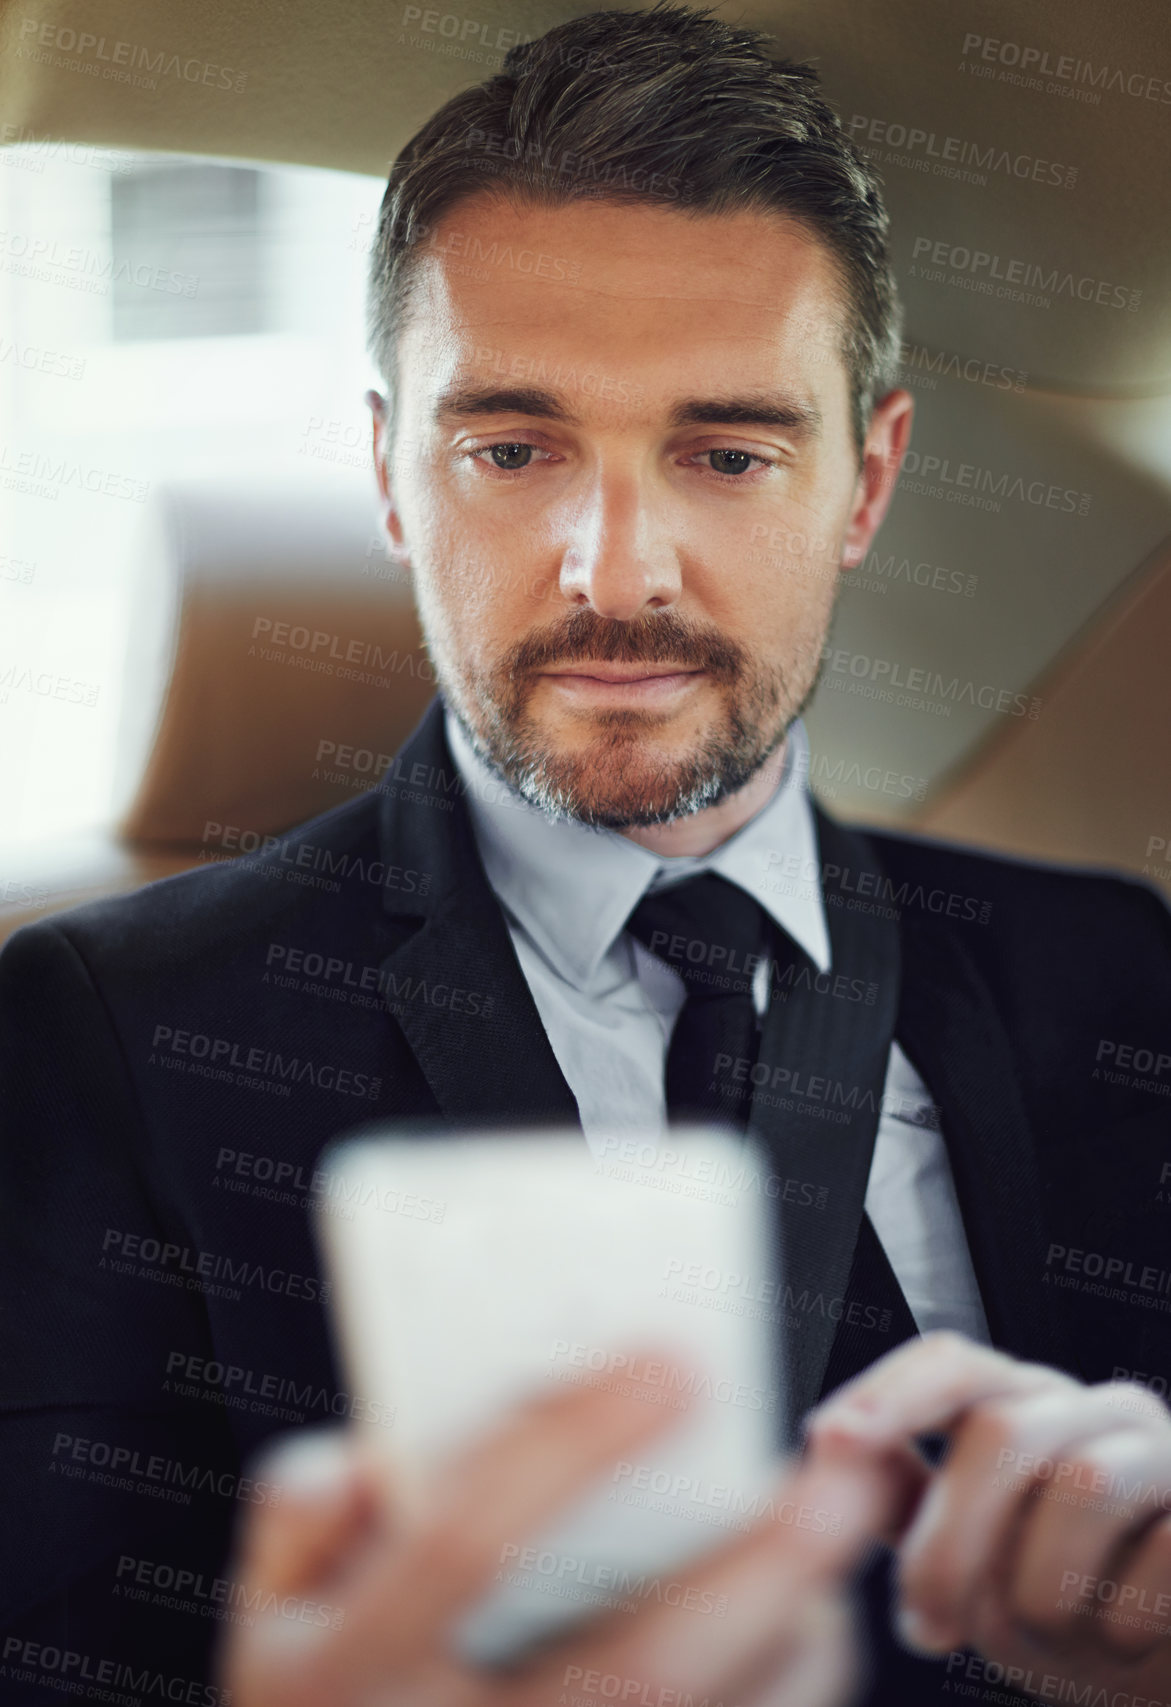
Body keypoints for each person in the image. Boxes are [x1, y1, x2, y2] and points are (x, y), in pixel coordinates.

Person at [0, 4, 1168, 1705]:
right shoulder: (106, 1034)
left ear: (868, 479)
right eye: (513, 449)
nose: (613, 572)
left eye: (726, 454)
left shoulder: (1113, 973)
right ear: (397, 476)